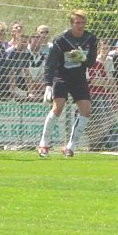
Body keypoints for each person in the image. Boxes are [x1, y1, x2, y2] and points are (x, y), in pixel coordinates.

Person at [38, 10, 98, 157]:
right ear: (72, 24)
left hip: (79, 78)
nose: (81, 26)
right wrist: (48, 85)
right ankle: (43, 144)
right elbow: (51, 63)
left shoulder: (91, 39)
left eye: (83, 23)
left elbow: (91, 63)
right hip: (62, 77)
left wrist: (84, 58)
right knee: (58, 108)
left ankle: (70, 146)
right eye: (77, 23)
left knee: (86, 111)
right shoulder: (61, 39)